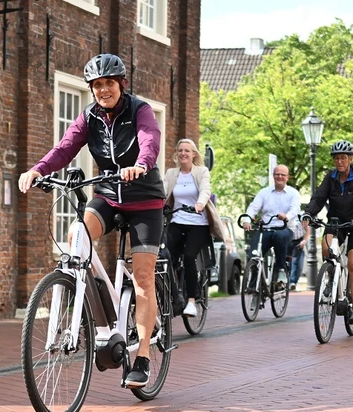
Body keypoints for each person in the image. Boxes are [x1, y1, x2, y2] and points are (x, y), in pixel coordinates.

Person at [18, 54, 163, 388]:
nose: (103, 91)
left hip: (144, 199)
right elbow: (66, 147)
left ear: (121, 84)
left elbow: (150, 139)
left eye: (108, 84)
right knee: (76, 236)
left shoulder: (138, 110)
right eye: (97, 86)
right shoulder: (90, 117)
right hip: (110, 194)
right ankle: (98, 318)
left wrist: (140, 163)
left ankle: (141, 354)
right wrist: (39, 169)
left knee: (142, 276)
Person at [304, 140, 353, 324]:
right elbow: (319, 197)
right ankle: (330, 279)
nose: (340, 161)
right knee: (326, 248)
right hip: (337, 221)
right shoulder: (331, 177)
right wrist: (308, 213)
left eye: (343, 158)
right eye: (336, 158)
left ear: (350, 158)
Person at [163, 139, 215, 318]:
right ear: (177, 153)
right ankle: (173, 293)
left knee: (189, 256)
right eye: (180, 150)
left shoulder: (201, 172)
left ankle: (192, 300)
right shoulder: (171, 173)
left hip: (198, 223)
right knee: (164, 253)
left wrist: (200, 204)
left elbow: (205, 190)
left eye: (187, 150)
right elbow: (163, 192)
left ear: (194, 154)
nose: (183, 153)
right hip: (177, 220)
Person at [242, 165, 301, 290]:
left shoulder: (293, 193)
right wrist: (247, 220)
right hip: (266, 229)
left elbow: (295, 209)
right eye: (277, 174)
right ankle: (253, 286)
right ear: (273, 176)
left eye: (283, 175)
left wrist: (286, 216)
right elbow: (253, 207)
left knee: (279, 237)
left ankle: (280, 270)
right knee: (254, 253)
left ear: (287, 177)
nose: (280, 176)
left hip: (285, 228)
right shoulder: (264, 192)